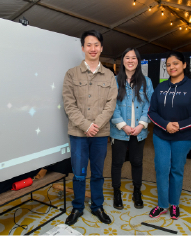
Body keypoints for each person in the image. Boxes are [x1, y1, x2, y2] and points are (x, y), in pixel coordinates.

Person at [62, 30, 118, 225]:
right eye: (89, 45)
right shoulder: (71, 74)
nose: (93, 48)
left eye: (96, 45)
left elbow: (111, 104)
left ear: (101, 48)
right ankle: (77, 207)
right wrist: (86, 126)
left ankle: (97, 206)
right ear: (83, 48)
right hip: (78, 133)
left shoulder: (110, 75)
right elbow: (69, 104)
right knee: (78, 173)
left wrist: (96, 126)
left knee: (98, 173)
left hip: (100, 134)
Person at [148, 51, 191, 219]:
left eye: (175, 63)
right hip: (161, 135)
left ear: (184, 65)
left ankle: (174, 204)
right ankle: (162, 205)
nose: (171, 67)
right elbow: (152, 112)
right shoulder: (161, 87)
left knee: (176, 170)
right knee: (161, 168)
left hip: (184, 137)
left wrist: (179, 126)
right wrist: (165, 125)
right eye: (168, 65)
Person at [110, 48, 154, 210]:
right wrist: (124, 126)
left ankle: (137, 191)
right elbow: (111, 106)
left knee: (137, 162)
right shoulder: (114, 81)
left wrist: (141, 124)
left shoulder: (146, 82)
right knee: (117, 163)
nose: (130, 60)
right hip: (119, 130)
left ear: (138, 60)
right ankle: (116, 192)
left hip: (139, 131)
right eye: (127, 57)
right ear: (122, 61)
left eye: (133, 58)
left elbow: (149, 106)